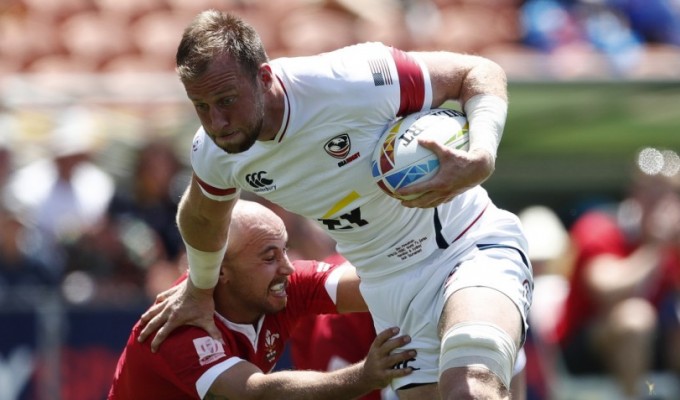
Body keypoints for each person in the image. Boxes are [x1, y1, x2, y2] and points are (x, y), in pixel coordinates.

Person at [139, 10, 533, 400]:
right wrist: (199, 288)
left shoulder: (351, 78)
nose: (217, 122)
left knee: (472, 387)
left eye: (226, 100)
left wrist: (482, 153)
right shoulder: (216, 151)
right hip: (387, 287)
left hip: (466, 245)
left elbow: (477, 72)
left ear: (264, 77)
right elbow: (202, 215)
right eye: (201, 106)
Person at [109, 200, 415, 399]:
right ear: (221, 271)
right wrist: (364, 377)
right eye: (270, 257)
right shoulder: (178, 327)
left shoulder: (281, 284)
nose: (288, 267)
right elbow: (257, 394)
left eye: (285, 249)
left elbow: (373, 285)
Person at [553, 148, 680, 399]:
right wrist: (655, 248)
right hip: (589, 346)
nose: (663, 202)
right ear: (635, 194)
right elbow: (606, 290)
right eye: (654, 192)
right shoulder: (601, 226)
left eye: (671, 193)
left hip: (655, 342)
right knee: (634, 317)